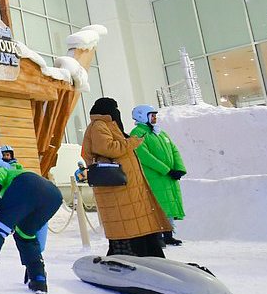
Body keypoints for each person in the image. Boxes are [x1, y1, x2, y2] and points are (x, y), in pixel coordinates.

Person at [0, 145, 63, 294]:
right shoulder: (18, 169)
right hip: (53, 195)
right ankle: (38, 279)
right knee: (26, 235)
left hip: (25, 185)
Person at [80, 97, 170, 258]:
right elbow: (109, 149)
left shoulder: (107, 125)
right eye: (115, 108)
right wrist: (132, 142)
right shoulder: (99, 125)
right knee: (128, 228)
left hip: (126, 188)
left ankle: (148, 256)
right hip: (117, 189)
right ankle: (129, 258)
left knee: (137, 226)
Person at [129, 105, 187, 246]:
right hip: (154, 178)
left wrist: (179, 168)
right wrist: (166, 170)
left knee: (169, 207)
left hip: (167, 178)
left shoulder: (160, 133)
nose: (155, 118)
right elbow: (144, 156)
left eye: (155, 115)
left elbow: (174, 150)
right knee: (156, 207)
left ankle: (168, 235)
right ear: (142, 116)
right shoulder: (137, 133)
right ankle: (157, 237)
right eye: (152, 115)